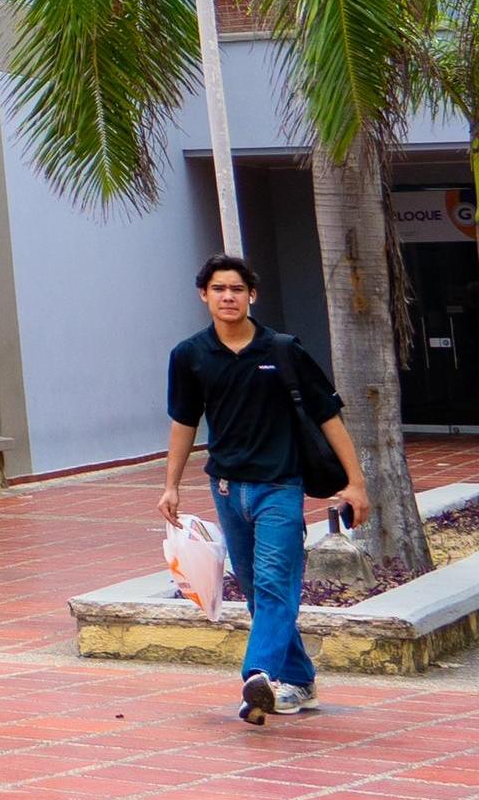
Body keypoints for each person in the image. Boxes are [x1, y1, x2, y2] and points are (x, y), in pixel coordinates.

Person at [160, 254, 366, 725]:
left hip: (281, 486)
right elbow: (183, 422)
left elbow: (328, 415)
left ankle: (260, 676)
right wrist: (170, 486)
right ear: (204, 296)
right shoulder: (190, 355)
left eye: (236, 289)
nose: (228, 297)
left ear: (252, 295)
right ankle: (300, 680)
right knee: (257, 592)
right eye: (218, 289)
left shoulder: (283, 349)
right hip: (228, 489)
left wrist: (355, 482)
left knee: (275, 584)